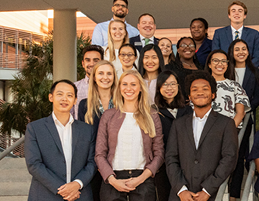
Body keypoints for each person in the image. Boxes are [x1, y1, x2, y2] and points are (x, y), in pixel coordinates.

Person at [165, 71, 238, 201]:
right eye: (195, 90)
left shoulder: (226, 123)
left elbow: (229, 158)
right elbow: (171, 158)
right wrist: (181, 190)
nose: (200, 92)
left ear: (213, 94)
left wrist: (207, 190)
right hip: (180, 196)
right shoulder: (178, 124)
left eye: (205, 89)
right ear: (189, 96)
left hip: (212, 194)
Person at [95, 70, 164, 201]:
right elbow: (99, 153)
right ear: (119, 87)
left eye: (133, 84)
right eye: (124, 84)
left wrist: (140, 179)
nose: (128, 88)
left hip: (143, 180)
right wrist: (112, 180)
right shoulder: (108, 116)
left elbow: (159, 153)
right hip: (112, 180)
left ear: (140, 88)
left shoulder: (152, 115)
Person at [25, 80, 96, 201]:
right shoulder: (35, 128)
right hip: (45, 195)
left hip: (80, 195)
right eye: (60, 94)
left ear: (75, 100)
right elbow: (34, 164)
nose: (64, 98)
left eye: (69, 95)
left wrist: (77, 184)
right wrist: (64, 189)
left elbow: (92, 162)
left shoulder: (87, 130)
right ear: (51, 97)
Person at [227, 39, 259, 200]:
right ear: (231, 53)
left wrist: (244, 108)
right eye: (237, 49)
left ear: (248, 52)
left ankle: (235, 194)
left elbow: (258, 97)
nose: (240, 52)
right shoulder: (226, 70)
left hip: (246, 119)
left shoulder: (254, 72)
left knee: (240, 156)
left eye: (244, 49)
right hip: (226, 119)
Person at [78, 60, 115, 201]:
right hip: (93, 166)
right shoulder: (84, 105)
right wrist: (98, 164)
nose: (105, 77)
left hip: (117, 165)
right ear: (94, 77)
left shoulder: (122, 103)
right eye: (100, 73)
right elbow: (84, 139)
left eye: (109, 73)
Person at [153, 70, 192, 201]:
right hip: (163, 164)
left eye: (172, 84)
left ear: (178, 86)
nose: (169, 88)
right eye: (165, 84)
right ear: (159, 87)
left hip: (186, 164)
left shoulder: (188, 110)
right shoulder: (154, 112)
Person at [205, 50, 251, 127]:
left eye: (224, 61)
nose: (220, 64)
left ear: (227, 64)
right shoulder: (202, 85)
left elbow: (241, 113)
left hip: (230, 129)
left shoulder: (235, 86)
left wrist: (229, 130)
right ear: (209, 64)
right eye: (216, 61)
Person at [212, 1, 259, 67]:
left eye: (240, 11)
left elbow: (256, 57)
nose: (236, 13)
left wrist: (244, 70)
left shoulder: (254, 34)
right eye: (233, 11)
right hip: (225, 72)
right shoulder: (219, 33)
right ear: (229, 15)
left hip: (248, 73)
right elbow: (216, 56)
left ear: (245, 15)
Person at [73, 45, 104, 120]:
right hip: (82, 130)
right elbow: (70, 114)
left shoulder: (111, 87)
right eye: (88, 60)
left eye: (96, 60)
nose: (92, 64)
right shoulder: (75, 87)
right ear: (83, 64)